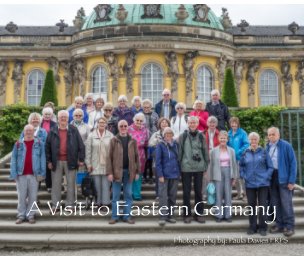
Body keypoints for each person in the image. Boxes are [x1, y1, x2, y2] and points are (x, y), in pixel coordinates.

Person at [45, 110, 85, 211]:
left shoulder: (73, 130)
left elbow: (81, 145)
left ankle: (70, 205)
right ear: (58, 118)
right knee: (56, 184)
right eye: (61, 117)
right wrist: (49, 161)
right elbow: (47, 147)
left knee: (71, 183)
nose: (63, 118)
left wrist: (81, 159)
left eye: (65, 117)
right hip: (56, 161)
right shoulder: (53, 130)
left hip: (70, 160)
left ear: (68, 118)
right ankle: (56, 205)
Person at [10, 124, 46, 224]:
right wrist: (13, 173)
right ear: (24, 131)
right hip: (21, 174)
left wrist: (42, 173)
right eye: (27, 130)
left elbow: (43, 158)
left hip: (34, 174)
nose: (29, 132)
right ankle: (21, 215)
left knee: (33, 196)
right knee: (21, 196)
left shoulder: (39, 143)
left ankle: (30, 215)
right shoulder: (18, 144)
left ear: (33, 132)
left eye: (31, 130)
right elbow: (13, 159)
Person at [240, 132, 274, 236]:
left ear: (258, 140)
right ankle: (252, 226)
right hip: (250, 184)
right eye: (251, 140)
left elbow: (270, 167)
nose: (253, 141)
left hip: (263, 184)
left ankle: (263, 227)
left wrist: (266, 177)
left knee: (263, 205)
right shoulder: (245, 152)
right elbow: (241, 166)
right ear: (249, 141)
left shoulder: (263, 152)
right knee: (251, 206)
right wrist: (244, 176)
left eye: (255, 139)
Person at [107, 120, 140, 224]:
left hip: (129, 172)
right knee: (116, 195)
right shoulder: (114, 140)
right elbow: (109, 158)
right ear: (118, 127)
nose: (123, 127)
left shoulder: (133, 140)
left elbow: (136, 157)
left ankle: (127, 216)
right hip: (117, 172)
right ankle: (114, 216)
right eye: (121, 126)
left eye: (125, 126)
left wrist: (137, 172)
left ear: (127, 127)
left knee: (128, 195)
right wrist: (110, 173)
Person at [266, 127, 297, 237]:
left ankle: (289, 226)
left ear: (278, 135)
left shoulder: (286, 145)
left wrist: (292, 181)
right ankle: (279, 224)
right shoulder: (267, 147)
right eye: (269, 135)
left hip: (284, 177)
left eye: (273, 134)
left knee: (286, 203)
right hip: (272, 177)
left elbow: (293, 163)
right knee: (275, 203)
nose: (271, 136)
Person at [179, 116, 209, 224]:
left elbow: (205, 150)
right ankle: (187, 214)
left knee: (198, 192)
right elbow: (180, 151)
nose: (192, 124)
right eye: (190, 122)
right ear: (188, 123)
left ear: (197, 124)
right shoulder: (183, 136)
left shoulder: (201, 136)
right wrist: (179, 166)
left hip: (199, 167)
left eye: (194, 122)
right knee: (186, 192)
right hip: (186, 167)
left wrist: (206, 165)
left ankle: (199, 213)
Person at [85, 117, 114, 209]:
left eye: (104, 122)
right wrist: (88, 164)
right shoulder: (91, 135)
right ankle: (98, 203)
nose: (102, 124)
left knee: (106, 185)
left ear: (106, 124)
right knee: (97, 185)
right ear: (97, 124)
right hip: (95, 164)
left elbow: (113, 151)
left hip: (107, 164)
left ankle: (105, 203)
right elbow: (88, 151)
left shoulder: (110, 135)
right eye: (100, 122)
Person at [209, 131, 237, 223]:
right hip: (217, 172)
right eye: (221, 138)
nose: (223, 140)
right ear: (218, 139)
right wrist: (210, 178)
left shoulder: (232, 151)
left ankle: (228, 215)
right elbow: (211, 165)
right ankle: (219, 215)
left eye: (224, 138)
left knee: (228, 194)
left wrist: (235, 177)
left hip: (228, 172)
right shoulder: (213, 151)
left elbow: (234, 164)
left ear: (227, 139)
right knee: (218, 194)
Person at [155, 127, 180, 226]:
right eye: (167, 134)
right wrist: (160, 174)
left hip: (174, 174)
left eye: (170, 134)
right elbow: (158, 162)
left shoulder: (176, 145)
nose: (169, 136)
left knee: (172, 196)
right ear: (164, 136)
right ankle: (162, 216)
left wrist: (179, 173)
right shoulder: (160, 145)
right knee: (163, 196)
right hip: (164, 175)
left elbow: (179, 159)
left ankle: (170, 215)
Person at [128, 113, 150, 200]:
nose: (139, 122)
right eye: (137, 120)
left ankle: (136, 194)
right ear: (134, 120)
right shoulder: (128, 129)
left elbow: (147, 143)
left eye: (141, 121)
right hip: (129, 155)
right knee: (129, 175)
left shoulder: (145, 130)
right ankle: (129, 194)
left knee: (138, 176)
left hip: (141, 156)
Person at [227, 117, 249, 200]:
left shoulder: (242, 133)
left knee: (242, 177)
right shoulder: (229, 133)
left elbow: (246, 144)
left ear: (238, 123)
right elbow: (227, 144)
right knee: (235, 177)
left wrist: (239, 151)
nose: (233, 125)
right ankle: (239, 194)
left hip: (240, 158)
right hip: (232, 159)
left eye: (235, 123)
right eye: (232, 123)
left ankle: (246, 194)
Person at [149, 117, 171, 197]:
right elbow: (150, 144)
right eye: (162, 122)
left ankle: (167, 195)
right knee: (159, 178)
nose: (164, 124)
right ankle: (158, 195)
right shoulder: (155, 134)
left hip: (169, 161)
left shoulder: (171, 133)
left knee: (168, 179)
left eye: (166, 122)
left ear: (168, 124)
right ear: (159, 124)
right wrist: (159, 141)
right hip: (158, 160)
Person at [142, 99, 159, 184]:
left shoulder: (155, 114)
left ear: (150, 107)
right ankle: (144, 176)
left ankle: (151, 176)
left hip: (153, 139)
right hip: (143, 139)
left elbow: (157, 125)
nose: (146, 108)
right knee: (145, 159)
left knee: (152, 159)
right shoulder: (140, 115)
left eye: (148, 107)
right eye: (145, 107)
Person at [41, 107, 57, 192]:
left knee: (48, 167)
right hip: (41, 147)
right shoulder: (40, 123)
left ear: (51, 115)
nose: (47, 116)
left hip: (51, 147)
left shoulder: (54, 124)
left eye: (49, 114)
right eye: (45, 114)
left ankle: (49, 185)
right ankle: (38, 184)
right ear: (43, 115)